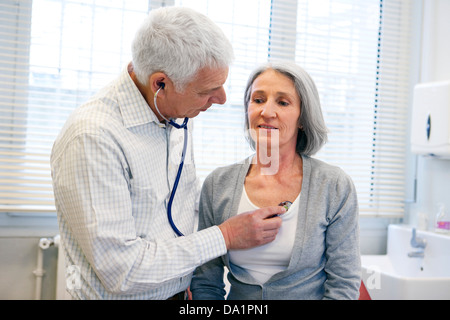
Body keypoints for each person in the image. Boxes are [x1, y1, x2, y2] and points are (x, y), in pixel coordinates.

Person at [50, 7, 285, 300]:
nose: (222, 99)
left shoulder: (172, 111)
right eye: (207, 91)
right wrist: (226, 235)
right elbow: (123, 270)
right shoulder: (93, 138)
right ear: (160, 83)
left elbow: (177, 210)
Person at [190, 61, 361, 300]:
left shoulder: (333, 186)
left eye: (282, 102)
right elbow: (206, 283)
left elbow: (344, 284)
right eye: (258, 100)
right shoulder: (218, 184)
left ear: (302, 117)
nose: (267, 112)